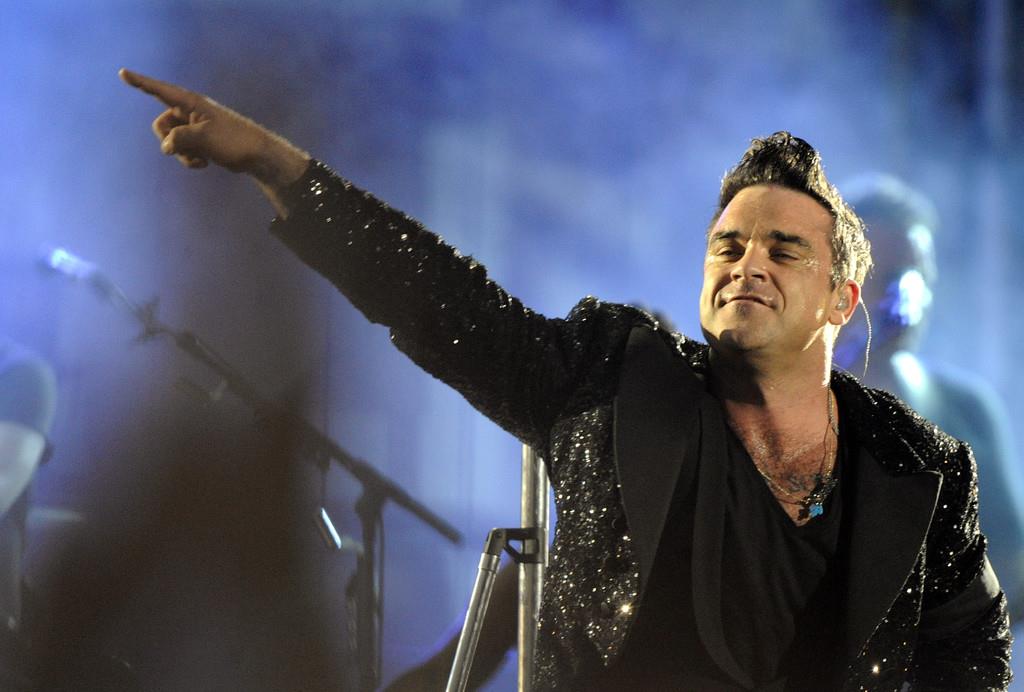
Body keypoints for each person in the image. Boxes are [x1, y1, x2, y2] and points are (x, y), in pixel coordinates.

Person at [119, 68, 1012, 690]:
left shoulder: (922, 468)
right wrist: (279, 167)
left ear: (841, 299)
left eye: (784, 250)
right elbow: (446, 302)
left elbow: (970, 659)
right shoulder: (615, 380)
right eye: (728, 245)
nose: (747, 263)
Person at [835, 174, 1024, 622]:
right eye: (887, 277)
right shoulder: (783, 404)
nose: (907, 296)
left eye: (918, 274)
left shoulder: (968, 409)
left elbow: (1012, 570)